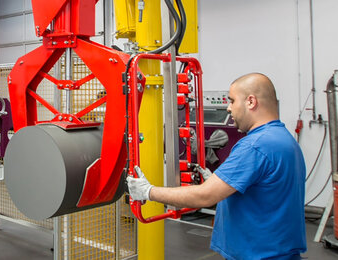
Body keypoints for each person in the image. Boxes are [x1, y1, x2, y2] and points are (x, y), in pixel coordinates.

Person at [127, 73, 307, 259]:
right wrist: (219, 182)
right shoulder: (285, 140)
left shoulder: (255, 145)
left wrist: (148, 191)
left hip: (258, 254)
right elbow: (265, 193)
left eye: (232, 101)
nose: (228, 108)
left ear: (251, 102)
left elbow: (205, 196)